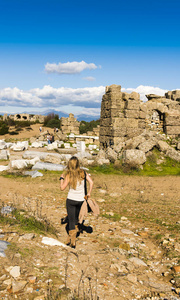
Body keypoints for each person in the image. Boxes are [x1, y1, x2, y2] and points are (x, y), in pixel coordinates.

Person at [60, 156, 93, 248]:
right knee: (76, 219)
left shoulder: (68, 175)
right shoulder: (83, 173)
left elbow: (62, 188)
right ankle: (70, 238)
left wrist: (61, 179)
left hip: (71, 200)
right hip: (81, 200)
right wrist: (89, 193)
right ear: (78, 164)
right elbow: (91, 182)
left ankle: (73, 241)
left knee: (71, 220)